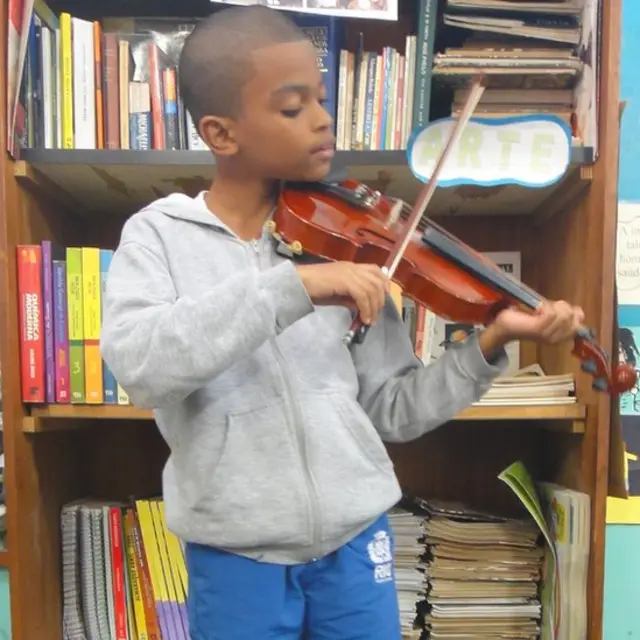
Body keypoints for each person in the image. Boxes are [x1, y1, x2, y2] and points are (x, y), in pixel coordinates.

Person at [100, 5, 584, 639]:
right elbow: (142, 367)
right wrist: (293, 286)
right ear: (222, 134)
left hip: (356, 543)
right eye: (293, 106)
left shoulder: (346, 244)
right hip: (235, 555)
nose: (323, 119)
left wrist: (488, 344)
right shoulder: (159, 237)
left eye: (322, 99)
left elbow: (392, 411)